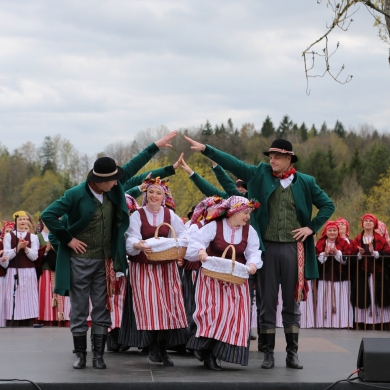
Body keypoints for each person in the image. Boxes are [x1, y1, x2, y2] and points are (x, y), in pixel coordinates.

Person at [184, 136, 335, 369]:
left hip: (295, 249)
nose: (272, 160)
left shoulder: (306, 181)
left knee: (291, 302)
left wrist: (311, 228)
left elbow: (328, 205)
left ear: (288, 158)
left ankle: (292, 353)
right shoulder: (259, 174)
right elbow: (233, 163)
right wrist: (207, 150)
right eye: (271, 156)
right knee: (266, 302)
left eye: (276, 156)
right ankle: (267, 353)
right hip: (267, 248)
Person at [41, 131, 178, 370]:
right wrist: (68, 239)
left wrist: (156, 145)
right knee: (80, 308)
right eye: (112, 180)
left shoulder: (113, 190)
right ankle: (81, 355)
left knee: (103, 309)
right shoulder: (75, 194)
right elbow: (48, 215)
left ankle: (98, 356)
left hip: (105, 261)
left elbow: (135, 165)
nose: (117, 182)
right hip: (79, 260)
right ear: (99, 180)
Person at [185, 196, 262, 370]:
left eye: (249, 213)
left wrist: (252, 264)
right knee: (211, 314)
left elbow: (254, 252)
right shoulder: (214, 226)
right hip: (212, 278)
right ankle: (203, 347)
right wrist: (200, 251)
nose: (248, 216)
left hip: (235, 280)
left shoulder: (249, 231)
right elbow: (196, 242)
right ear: (234, 211)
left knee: (230, 317)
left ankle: (212, 354)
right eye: (245, 212)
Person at [125, 176, 188, 366]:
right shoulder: (137, 215)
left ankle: (162, 348)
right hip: (143, 266)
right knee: (151, 307)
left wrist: (177, 245)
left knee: (168, 307)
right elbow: (131, 239)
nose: (154, 195)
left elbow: (185, 235)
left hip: (166, 266)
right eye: (151, 192)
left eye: (158, 192)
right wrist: (138, 244)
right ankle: (152, 346)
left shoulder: (170, 216)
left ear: (164, 196)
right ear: (146, 194)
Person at [350, 214, 390, 327]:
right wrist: (359, 254)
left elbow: (388, 255)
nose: (368, 222)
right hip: (362, 274)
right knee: (363, 295)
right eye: (365, 221)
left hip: (378, 274)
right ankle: (364, 323)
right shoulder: (357, 239)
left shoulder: (381, 240)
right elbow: (351, 257)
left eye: (370, 221)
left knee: (379, 295)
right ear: (362, 224)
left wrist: (375, 253)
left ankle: (380, 323)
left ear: (374, 224)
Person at [3, 211, 40, 326]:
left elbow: (34, 257)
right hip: (14, 270)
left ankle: (30, 320)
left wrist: (26, 249)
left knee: (29, 295)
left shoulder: (33, 237)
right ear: (15, 221)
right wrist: (18, 248)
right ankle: (12, 320)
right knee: (13, 295)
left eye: (25, 219)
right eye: (20, 220)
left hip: (29, 270)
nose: (23, 221)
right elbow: (6, 255)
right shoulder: (9, 236)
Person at [315, 221, 352, 328]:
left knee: (342, 301)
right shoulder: (320, 244)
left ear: (338, 232)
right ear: (326, 232)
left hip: (341, 278)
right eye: (330, 230)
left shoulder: (344, 243)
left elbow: (348, 260)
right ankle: (323, 323)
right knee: (324, 300)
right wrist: (325, 254)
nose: (332, 233)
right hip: (324, 277)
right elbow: (316, 262)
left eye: (334, 230)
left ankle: (342, 323)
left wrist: (337, 253)